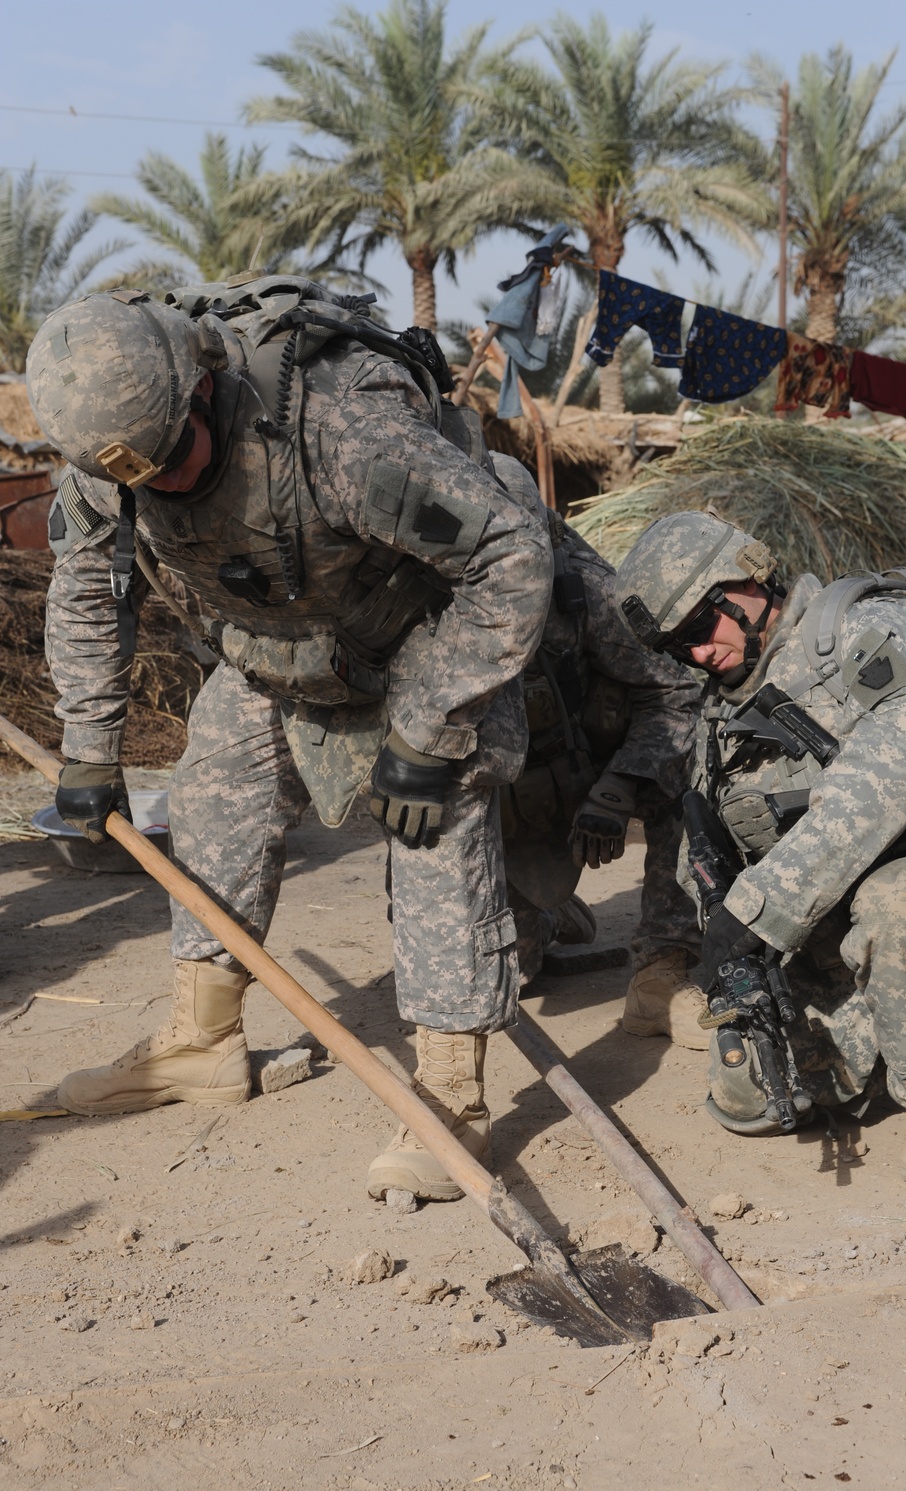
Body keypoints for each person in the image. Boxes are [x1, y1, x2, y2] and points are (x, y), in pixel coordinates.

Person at [26, 278, 552, 1204]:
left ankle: (452, 1094)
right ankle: (205, 1040)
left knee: (431, 817)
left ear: (201, 384)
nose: (165, 486)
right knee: (214, 786)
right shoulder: (108, 458)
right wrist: (88, 745)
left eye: (176, 458)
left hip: (416, 641)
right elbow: (85, 587)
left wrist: (431, 728)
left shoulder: (341, 432)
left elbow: (510, 551)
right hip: (275, 648)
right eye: (138, 477)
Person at [614, 510, 906, 1185]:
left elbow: (886, 780)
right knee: (752, 1099)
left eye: (704, 625)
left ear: (749, 578)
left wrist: (758, 912)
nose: (700, 652)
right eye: (680, 646)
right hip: (836, 886)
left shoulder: (872, 628)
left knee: (898, 901)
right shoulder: (722, 710)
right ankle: (889, 1021)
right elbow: (717, 844)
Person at [496, 499, 705, 1040]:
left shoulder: (586, 593)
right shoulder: (414, 600)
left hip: (595, 769)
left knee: (695, 764)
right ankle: (542, 916)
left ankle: (664, 968)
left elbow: (678, 691)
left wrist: (621, 784)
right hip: (507, 801)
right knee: (510, 975)